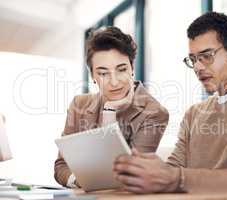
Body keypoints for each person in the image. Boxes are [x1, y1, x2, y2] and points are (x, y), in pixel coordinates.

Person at [113, 12, 227, 199]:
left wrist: (176, 179)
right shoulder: (194, 114)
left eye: (206, 56)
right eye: (193, 59)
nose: (197, 67)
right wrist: (143, 173)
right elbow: (172, 171)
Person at [54, 27, 169, 188]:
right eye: (103, 73)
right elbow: (61, 167)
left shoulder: (154, 113)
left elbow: (125, 176)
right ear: (93, 76)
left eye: (121, 69)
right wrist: (78, 180)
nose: (114, 82)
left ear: (132, 68)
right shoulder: (78, 105)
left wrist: (109, 112)